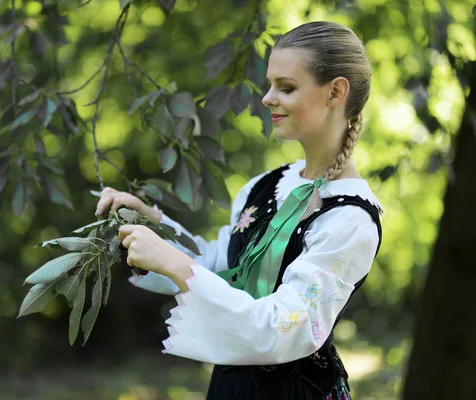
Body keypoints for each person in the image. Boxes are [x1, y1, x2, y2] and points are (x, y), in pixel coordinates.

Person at [96, 21, 383, 399]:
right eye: (269, 85)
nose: (266, 98)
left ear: (335, 92)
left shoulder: (352, 219)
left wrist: (175, 263)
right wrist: (149, 223)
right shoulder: (265, 185)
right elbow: (222, 265)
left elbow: (284, 327)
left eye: (286, 87)